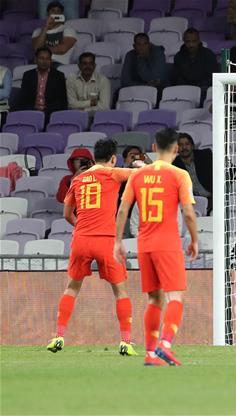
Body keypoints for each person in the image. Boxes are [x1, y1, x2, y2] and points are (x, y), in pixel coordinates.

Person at [115, 128, 199, 366]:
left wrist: (117, 242)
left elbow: (123, 210)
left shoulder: (137, 175)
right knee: (175, 296)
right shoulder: (179, 175)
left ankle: (150, 354)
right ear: (175, 149)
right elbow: (189, 214)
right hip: (167, 243)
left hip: (144, 244)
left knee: (154, 299)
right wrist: (194, 240)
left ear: (153, 148)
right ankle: (166, 344)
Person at [46, 139, 138, 357]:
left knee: (71, 288)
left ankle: (58, 336)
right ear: (113, 158)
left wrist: (82, 226)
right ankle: (125, 342)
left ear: (95, 157)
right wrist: (140, 165)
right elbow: (139, 175)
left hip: (81, 240)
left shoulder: (78, 180)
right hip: (106, 241)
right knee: (120, 291)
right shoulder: (113, 173)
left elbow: (66, 214)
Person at [16, 47, 67, 116]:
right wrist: (33, 108)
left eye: (47, 59)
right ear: (35, 60)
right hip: (31, 110)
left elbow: (62, 100)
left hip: (51, 112)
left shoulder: (58, 76)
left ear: (51, 60)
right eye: (41, 58)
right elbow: (23, 98)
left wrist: (46, 110)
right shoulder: (28, 75)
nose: (44, 61)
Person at [172, 28, 218, 98]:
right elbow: (177, 77)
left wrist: (196, 89)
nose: (191, 45)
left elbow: (212, 77)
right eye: (188, 41)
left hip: (203, 89)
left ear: (199, 41)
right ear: (184, 41)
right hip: (185, 89)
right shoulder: (178, 56)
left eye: (194, 41)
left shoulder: (208, 54)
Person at [172, 133, 213, 207]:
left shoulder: (205, 156)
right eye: (180, 145)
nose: (184, 147)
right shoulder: (174, 164)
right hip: (194, 202)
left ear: (192, 146)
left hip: (213, 198)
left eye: (187, 144)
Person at [66, 52, 110, 117]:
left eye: (91, 63)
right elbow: (71, 104)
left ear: (94, 66)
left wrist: (84, 111)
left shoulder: (103, 80)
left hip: (97, 117)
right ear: (79, 66)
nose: (88, 66)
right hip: (76, 117)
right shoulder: (71, 79)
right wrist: (91, 103)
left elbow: (104, 107)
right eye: (84, 63)